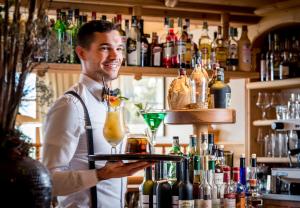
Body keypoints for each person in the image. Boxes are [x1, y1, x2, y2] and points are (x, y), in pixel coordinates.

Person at [42, 20, 151, 208]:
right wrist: (99, 175)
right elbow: (48, 182)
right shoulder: (70, 106)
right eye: (105, 48)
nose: (116, 56)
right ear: (82, 53)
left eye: (119, 48)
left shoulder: (114, 104)